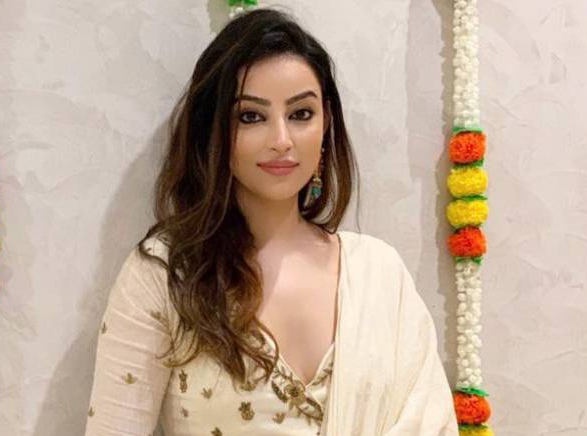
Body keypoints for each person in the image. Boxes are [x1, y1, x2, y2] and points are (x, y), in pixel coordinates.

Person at [84, 7, 458, 436]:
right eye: (251, 117)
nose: (281, 140)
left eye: (301, 114)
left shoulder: (380, 274)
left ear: (326, 125)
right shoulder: (167, 274)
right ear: (213, 131)